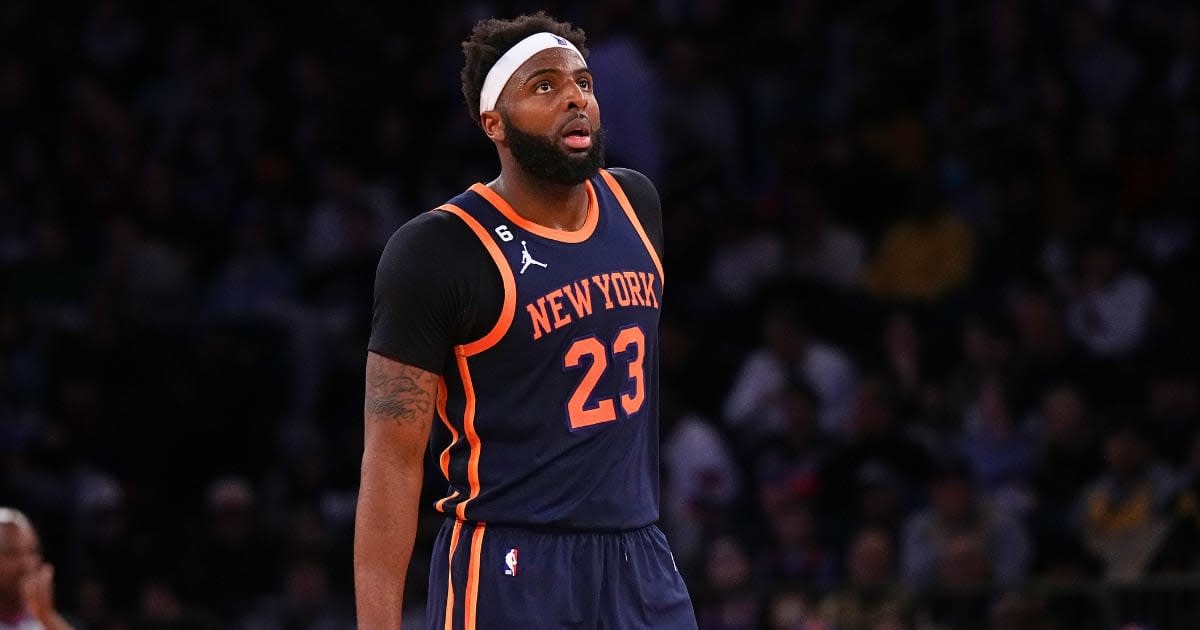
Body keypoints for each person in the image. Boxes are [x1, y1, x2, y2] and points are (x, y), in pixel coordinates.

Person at [354, 11, 696, 630]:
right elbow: (391, 463)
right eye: (544, 85)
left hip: (639, 554)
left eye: (583, 83)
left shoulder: (636, 203)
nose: (574, 98)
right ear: (495, 124)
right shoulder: (438, 249)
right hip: (512, 564)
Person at [0, 508, 75, 630]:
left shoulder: (43, 620)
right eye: (11, 553)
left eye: (31, 551)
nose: (25, 564)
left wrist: (46, 616)